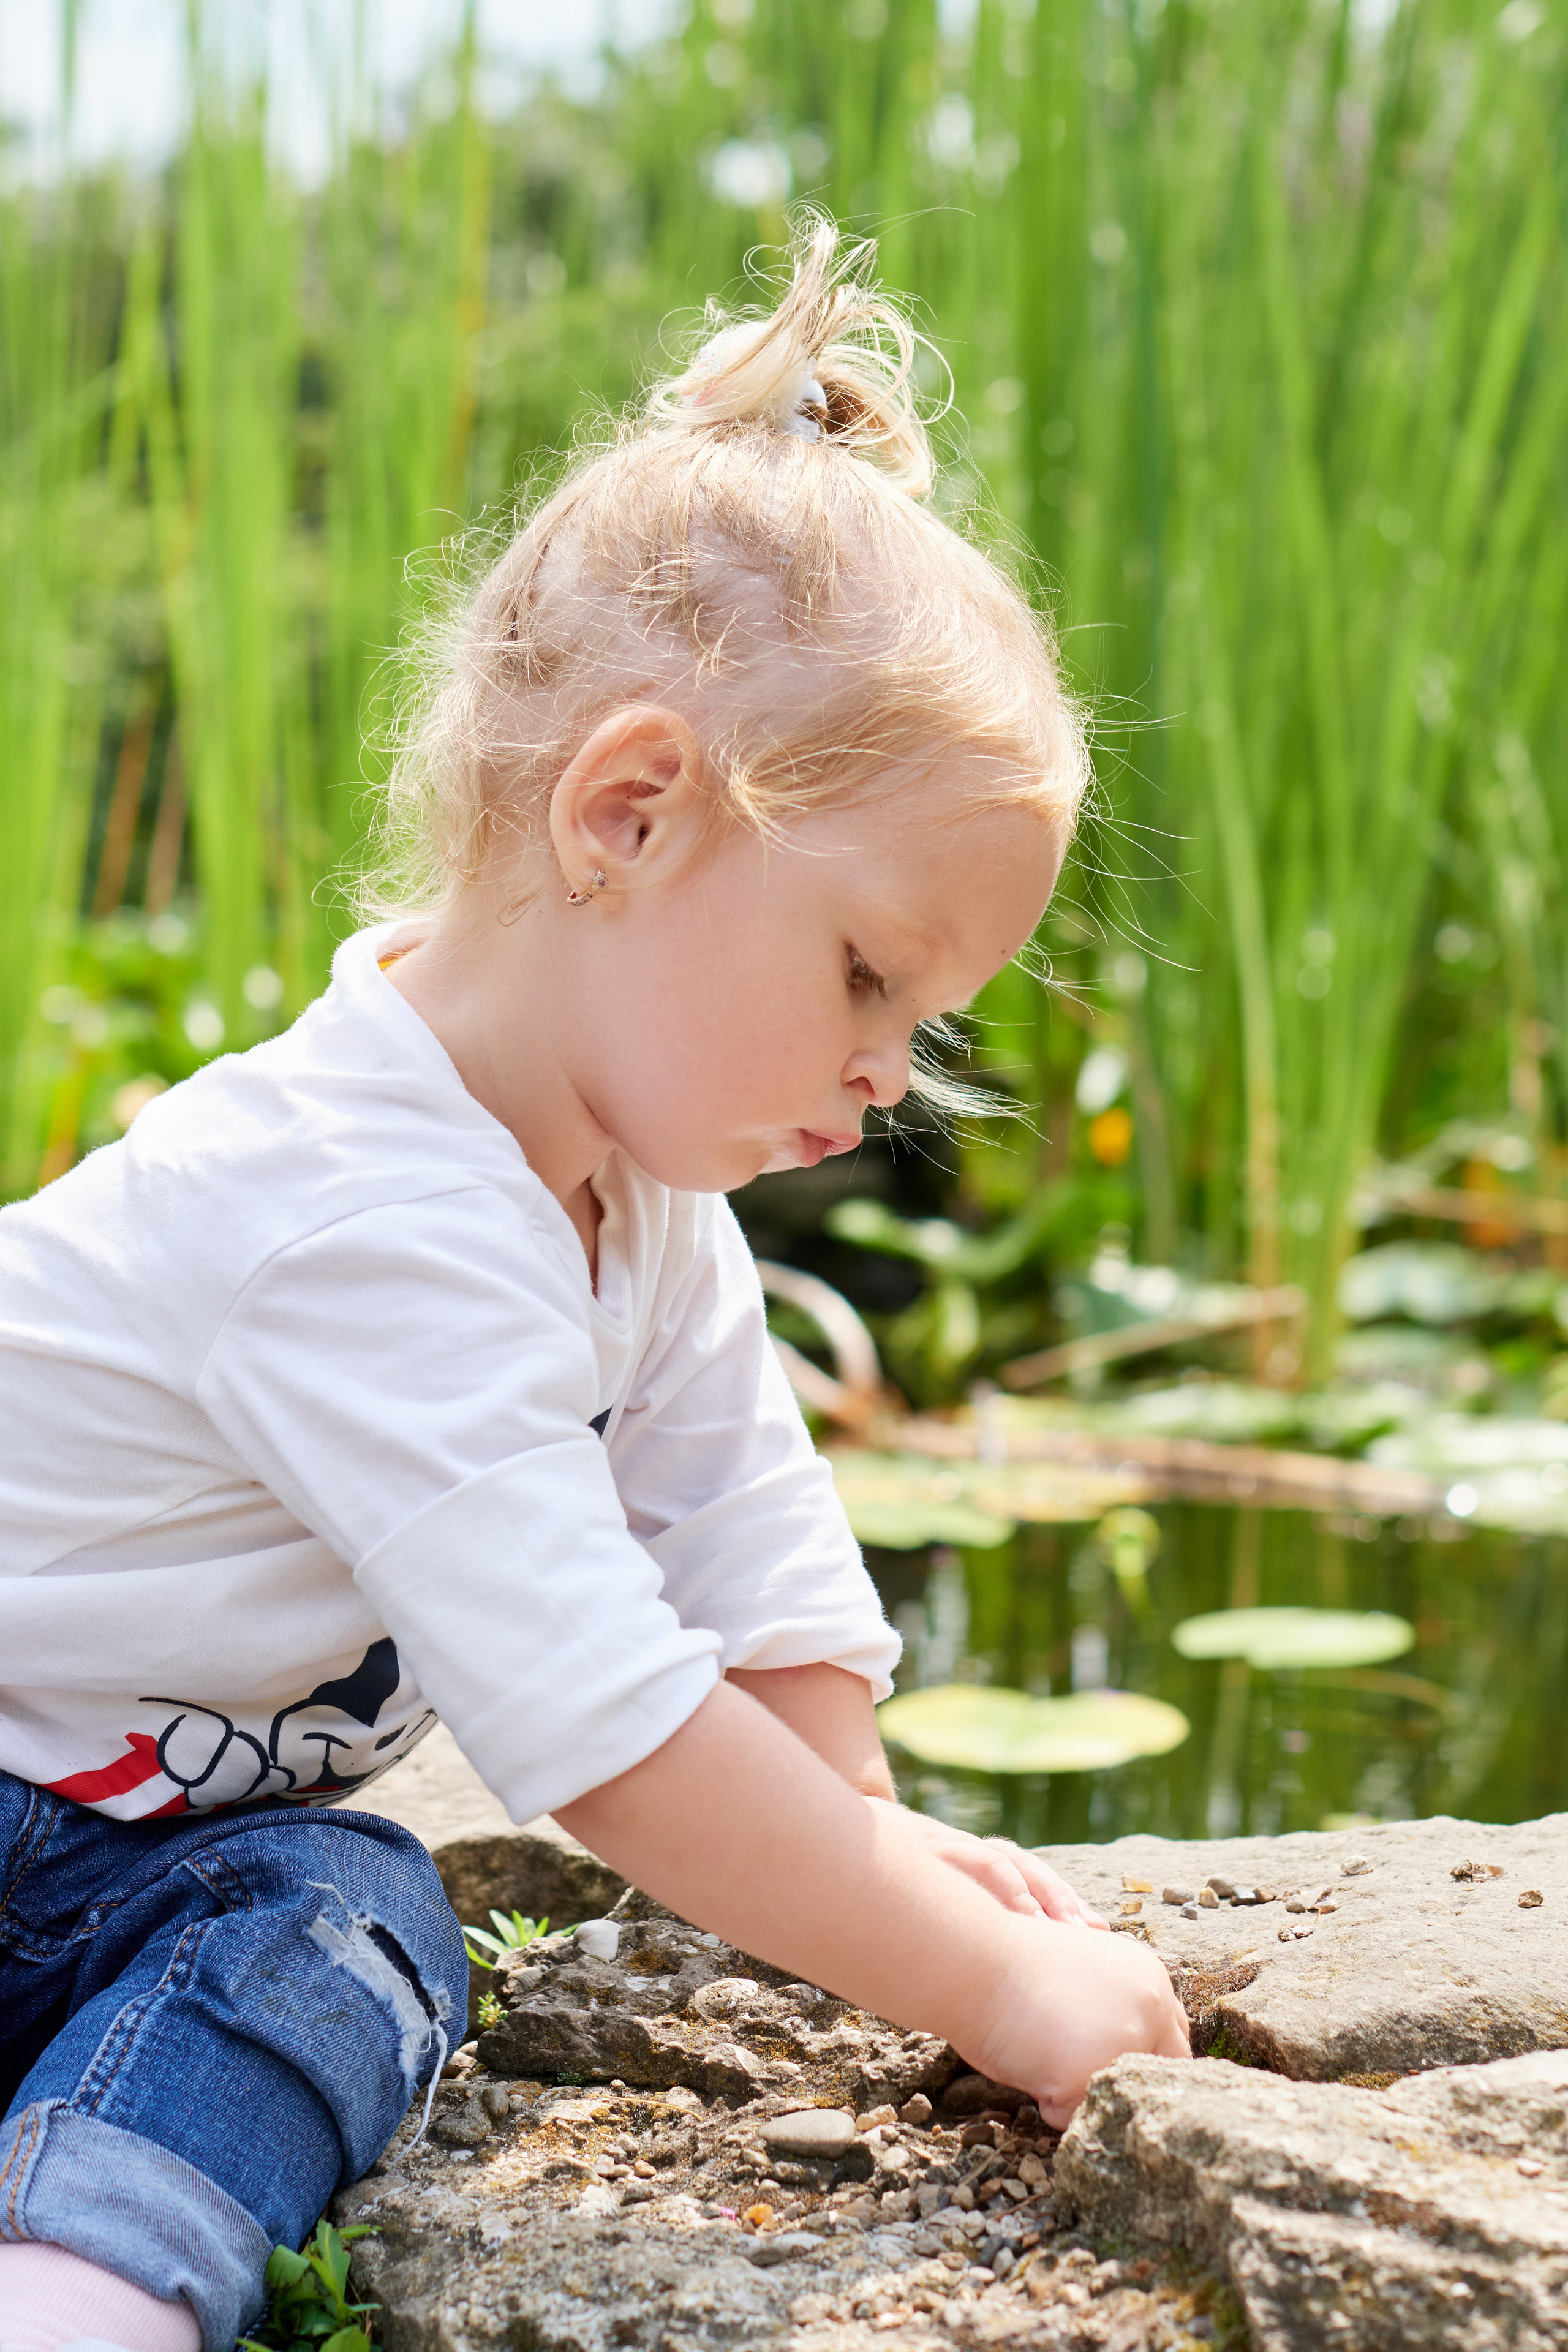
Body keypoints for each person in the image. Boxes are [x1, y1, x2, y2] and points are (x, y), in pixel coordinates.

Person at [0, 220, 1189, 2352]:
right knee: (343, 1895)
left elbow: (753, 1555)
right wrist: (994, 1980)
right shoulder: (353, 1213)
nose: (889, 1074)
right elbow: (611, 1734)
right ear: (626, 814)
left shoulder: (634, 1198)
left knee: (345, 1910)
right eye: (866, 976)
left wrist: (877, 1869)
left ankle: (88, 2263)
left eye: (922, 1022)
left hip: (105, 1865)